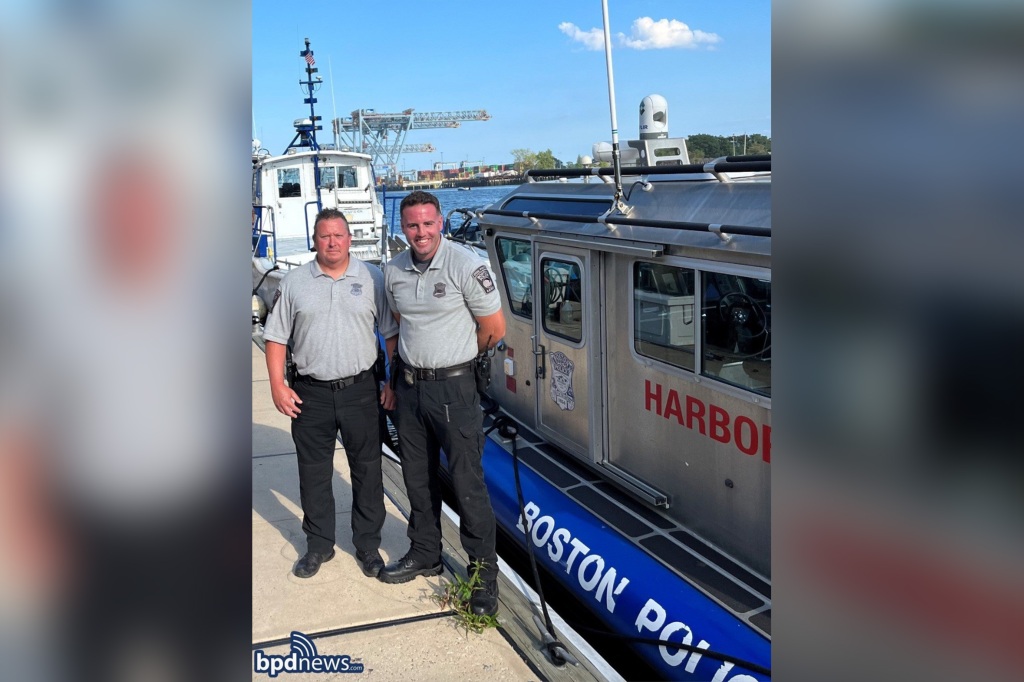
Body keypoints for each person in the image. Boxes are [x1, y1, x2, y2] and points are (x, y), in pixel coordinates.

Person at [380, 191, 506, 617]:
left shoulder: (466, 266)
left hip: (454, 389)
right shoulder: (393, 269)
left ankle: (483, 578)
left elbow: (493, 328)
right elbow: (399, 321)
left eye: (428, 224)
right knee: (417, 478)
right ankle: (425, 553)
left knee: (469, 487)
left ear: (441, 224)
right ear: (403, 228)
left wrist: (459, 365)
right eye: (413, 225)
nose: (421, 233)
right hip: (411, 388)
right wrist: (399, 374)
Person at [264, 208, 398, 579]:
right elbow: (275, 337)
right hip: (311, 393)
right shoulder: (294, 283)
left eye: (339, 235)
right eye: (325, 236)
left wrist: (392, 381)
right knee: (314, 474)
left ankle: (368, 545)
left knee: (368, 471)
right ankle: (318, 545)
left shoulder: (372, 278)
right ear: (315, 240)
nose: (332, 242)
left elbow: (390, 335)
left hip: (361, 391)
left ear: (350, 238)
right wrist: (278, 386)